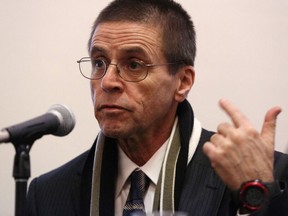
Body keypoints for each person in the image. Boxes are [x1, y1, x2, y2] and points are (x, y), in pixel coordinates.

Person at [26, 0, 288, 215]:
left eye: (134, 65)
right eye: (98, 63)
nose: (107, 82)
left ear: (182, 82)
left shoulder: (261, 178)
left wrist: (257, 191)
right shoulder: (47, 194)